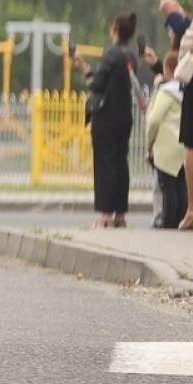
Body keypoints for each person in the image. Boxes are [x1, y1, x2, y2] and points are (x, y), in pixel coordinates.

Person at [72, 12, 139, 228]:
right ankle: (120, 214)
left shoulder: (110, 54)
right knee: (121, 163)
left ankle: (105, 216)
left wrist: (83, 68)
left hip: (106, 118)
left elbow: (96, 84)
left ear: (116, 29)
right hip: (124, 117)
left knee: (105, 164)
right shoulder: (130, 56)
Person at [145, 50, 187, 229]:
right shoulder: (186, 93)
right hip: (183, 148)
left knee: (167, 189)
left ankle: (168, 225)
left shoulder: (166, 93)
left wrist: (149, 143)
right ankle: (181, 221)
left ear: (168, 70)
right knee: (181, 188)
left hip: (166, 149)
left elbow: (153, 120)